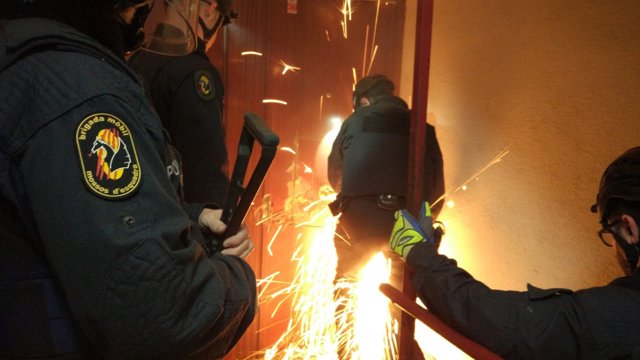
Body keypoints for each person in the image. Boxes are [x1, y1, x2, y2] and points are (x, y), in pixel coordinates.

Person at [0, 0, 256, 358]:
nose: (147, 14)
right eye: (140, 8)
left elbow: (78, 212)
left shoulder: (27, 52)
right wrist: (238, 277)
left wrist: (192, 218)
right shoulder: (79, 88)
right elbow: (163, 315)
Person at [390, 147, 640, 359]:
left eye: (611, 234)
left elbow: (491, 319)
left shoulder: (617, 315)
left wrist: (419, 253)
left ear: (629, 228)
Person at [327, 74, 445, 280]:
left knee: (347, 280)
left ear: (363, 101)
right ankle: (399, 311)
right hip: (408, 224)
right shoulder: (423, 128)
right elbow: (437, 193)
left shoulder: (354, 122)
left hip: (360, 224)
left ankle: (344, 303)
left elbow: (336, 177)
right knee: (402, 290)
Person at [127, 0, 236, 205]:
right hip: (178, 221)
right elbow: (206, 175)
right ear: (212, 8)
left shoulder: (137, 59)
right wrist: (217, 220)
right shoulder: (194, 72)